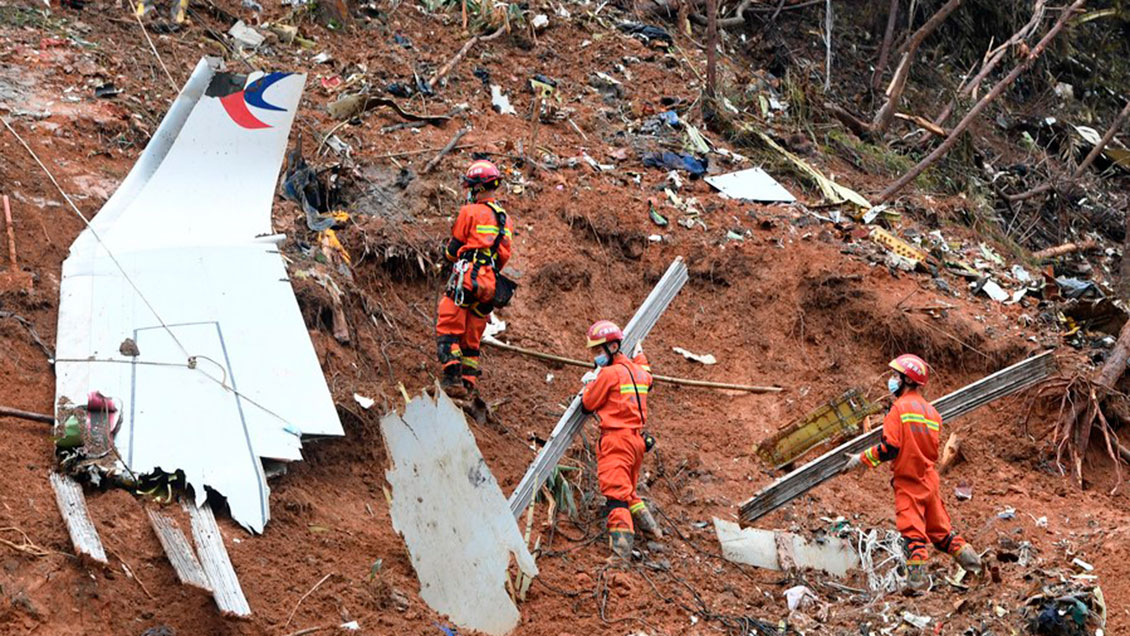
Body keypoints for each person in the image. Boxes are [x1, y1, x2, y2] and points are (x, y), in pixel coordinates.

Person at [842, 354, 982, 592]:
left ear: (907, 380)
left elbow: (890, 447)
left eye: (896, 376)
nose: (892, 380)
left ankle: (916, 583)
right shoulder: (932, 413)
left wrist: (862, 459)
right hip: (929, 480)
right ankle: (975, 564)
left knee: (913, 535)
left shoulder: (899, 409)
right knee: (942, 533)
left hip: (909, 481)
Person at [580, 320, 662, 562]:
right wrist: (641, 355)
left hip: (616, 441)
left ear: (613, 347)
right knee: (629, 491)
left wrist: (588, 385)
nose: (595, 356)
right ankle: (652, 531)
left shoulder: (608, 374)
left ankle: (620, 555)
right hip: (637, 442)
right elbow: (648, 376)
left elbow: (588, 405)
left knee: (616, 495)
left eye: (598, 351)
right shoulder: (638, 372)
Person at [435, 160, 514, 398]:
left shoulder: (469, 212)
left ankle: (452, 379)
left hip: (467, 276)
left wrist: (447, 255)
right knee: (472, 333)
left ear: (478, 188)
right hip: (490, 282)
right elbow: (503, 255)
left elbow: (454, 247)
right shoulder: (505, 220)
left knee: (448, 323)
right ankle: (468, 384)